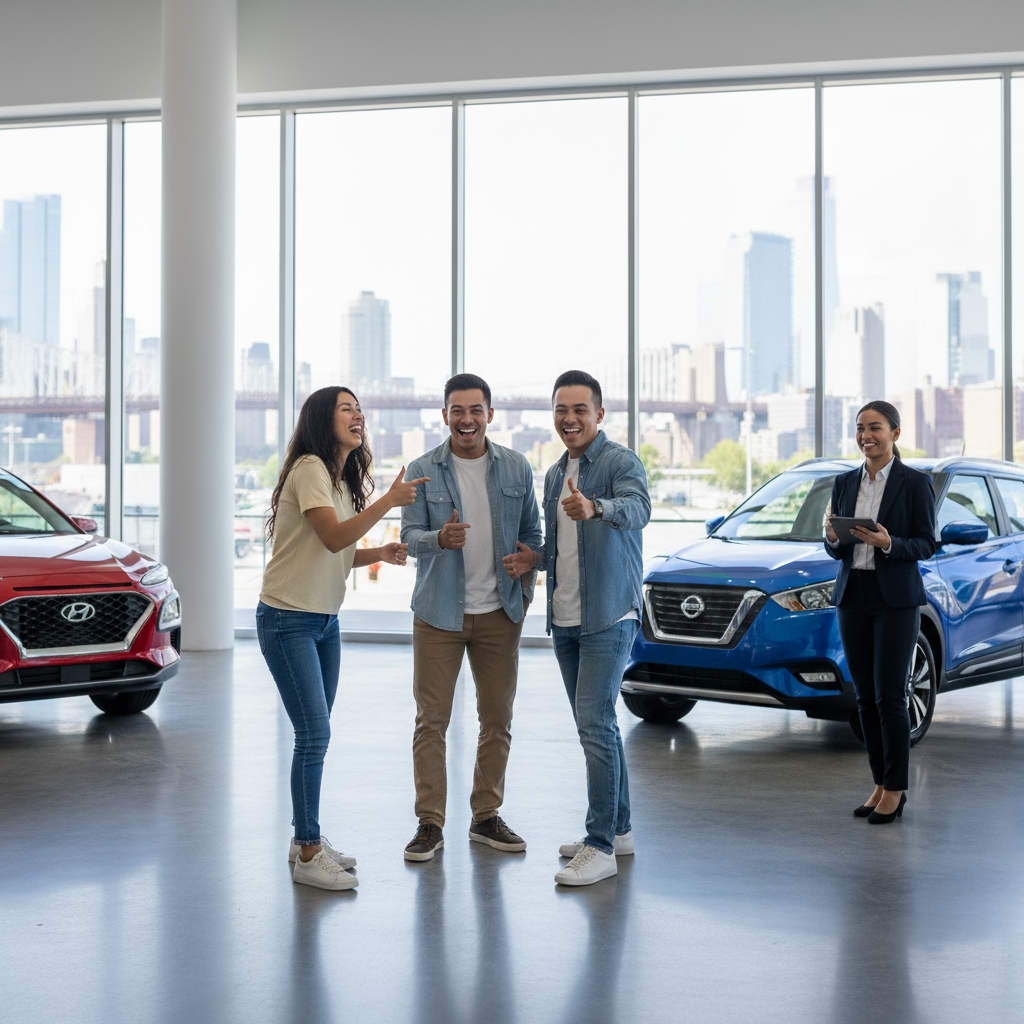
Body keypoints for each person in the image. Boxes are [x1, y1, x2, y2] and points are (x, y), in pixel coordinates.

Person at [257, 386, 428, 889]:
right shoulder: (309, 467)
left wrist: (379, 554)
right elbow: (333, 536)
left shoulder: (332, 477)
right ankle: (309, 852)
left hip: (324, 620)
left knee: (315, 733)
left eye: (359, 408)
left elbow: (330, 551)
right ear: (321, 420)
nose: (358, 415)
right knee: (314, 734)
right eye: (346, 408)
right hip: (289, 618)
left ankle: (302, 838)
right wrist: (390, 501)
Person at [509, 370, 650, 886]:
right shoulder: (553, 475)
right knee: (600, 728)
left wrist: (597, 507)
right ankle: (621, 831)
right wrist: (534, 559)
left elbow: (639, 509)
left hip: (608, 615)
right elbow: (562, 549)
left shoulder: (619, 462)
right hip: (566, 618)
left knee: (594, 726)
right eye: (561, 411)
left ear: (599, 414)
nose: (569, 419)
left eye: (580, 410)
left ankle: (598, 846)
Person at [399, 373, 544, 862]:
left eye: (475, 410)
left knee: (497, 720)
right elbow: (408, 536)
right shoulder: (422, 469)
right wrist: (438, 539)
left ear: (489, 414)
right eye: (457, 411)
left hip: (501, 612)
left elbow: (534, 536)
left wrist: (529, 569)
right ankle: (429, 823)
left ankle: (486, 817)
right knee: (431, 722)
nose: (466, 420)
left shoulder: (516, 469)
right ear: (444, 415)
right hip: (439, 613)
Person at [825, 400, 936, 824]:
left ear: (895, 433)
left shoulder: (914, 482)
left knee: (891, 697)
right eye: (859, 428)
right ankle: (878, 782)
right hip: (853, 594)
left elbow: (926, 543)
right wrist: (832, 537)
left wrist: (888, 543)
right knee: (865, 699)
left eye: (875, 427)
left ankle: (896, 789)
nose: (866, 436)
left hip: (896, 599)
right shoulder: (843, 481)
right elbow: (836, 545)